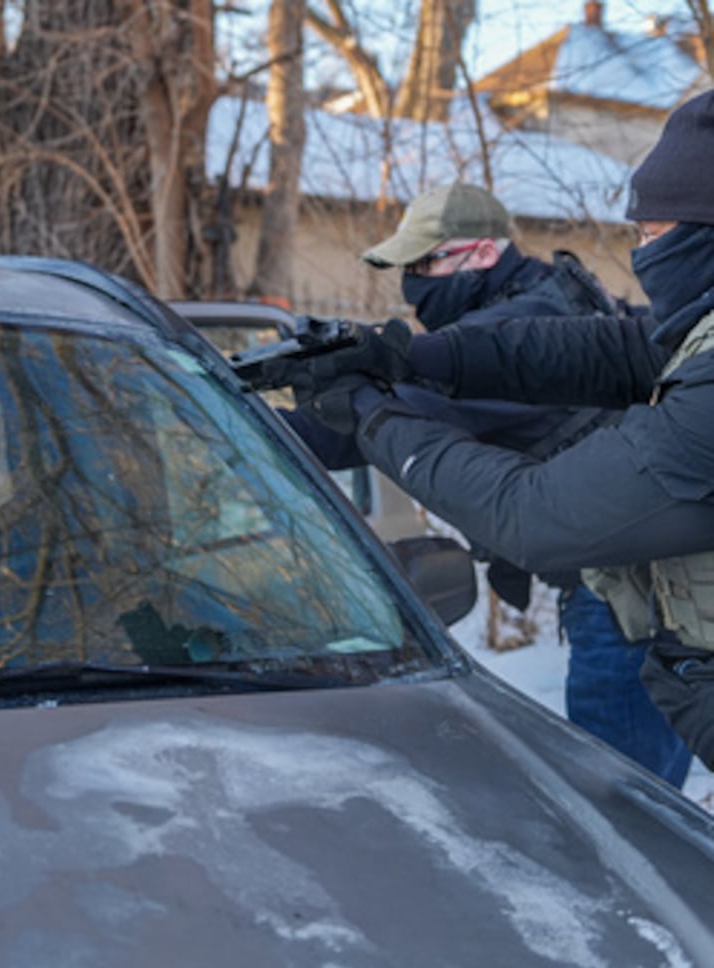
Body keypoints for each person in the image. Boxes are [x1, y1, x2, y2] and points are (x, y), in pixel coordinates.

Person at [285, 89, 714, 771]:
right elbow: (605, 351)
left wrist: (364, 410)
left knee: (626, 806)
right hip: (641, 600)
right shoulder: (690, 330)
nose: (641, 254)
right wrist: (402, 351)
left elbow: (534, 514)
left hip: (620, 580)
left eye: (652, 236)